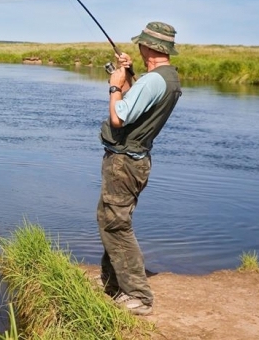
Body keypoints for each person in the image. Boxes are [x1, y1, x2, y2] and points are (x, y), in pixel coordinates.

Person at [96, 21, 182, 316]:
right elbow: (137, 103)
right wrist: (129, 74)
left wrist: (114, 85)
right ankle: (111, 281)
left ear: (151, 47)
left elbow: (120, 116)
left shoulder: (154, 81)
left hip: (125, 163)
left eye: (141, 44)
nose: (138, 47)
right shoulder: (165, 78)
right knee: (109, 218)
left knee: (117, 224)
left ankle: (138, 296)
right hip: (133, 160)